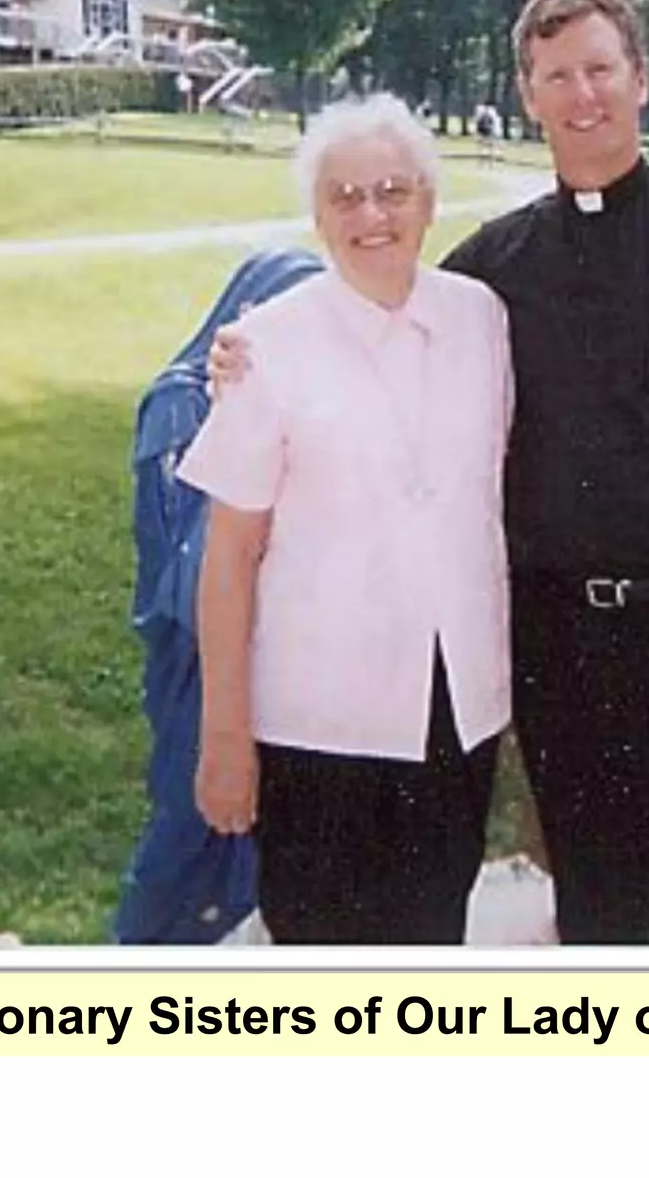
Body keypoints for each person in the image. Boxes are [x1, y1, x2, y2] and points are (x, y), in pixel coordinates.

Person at [214, 0, 649, 945]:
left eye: (601, 69)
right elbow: (378, 290)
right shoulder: (494, 271)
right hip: (562, 651)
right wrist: (236, 350)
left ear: (640, 79)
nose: (582, 94)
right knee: (597, 919)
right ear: (529, 96)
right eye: (559, 76)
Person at [176, 94, 515, 944]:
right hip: (316, 722)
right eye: (346, 197)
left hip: (454, 711)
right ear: (317, 217)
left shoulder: (481, 318)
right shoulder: (268, 344)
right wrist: (224, 734)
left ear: (430, 203)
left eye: (394, 191)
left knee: (431, 947)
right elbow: (230, 557)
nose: (372, 214)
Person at [113, 246, 324, 945]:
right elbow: (195, 563)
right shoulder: (181, 404)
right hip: (199, 654)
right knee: (192, 822)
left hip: (284, 661)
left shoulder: (302, 397)